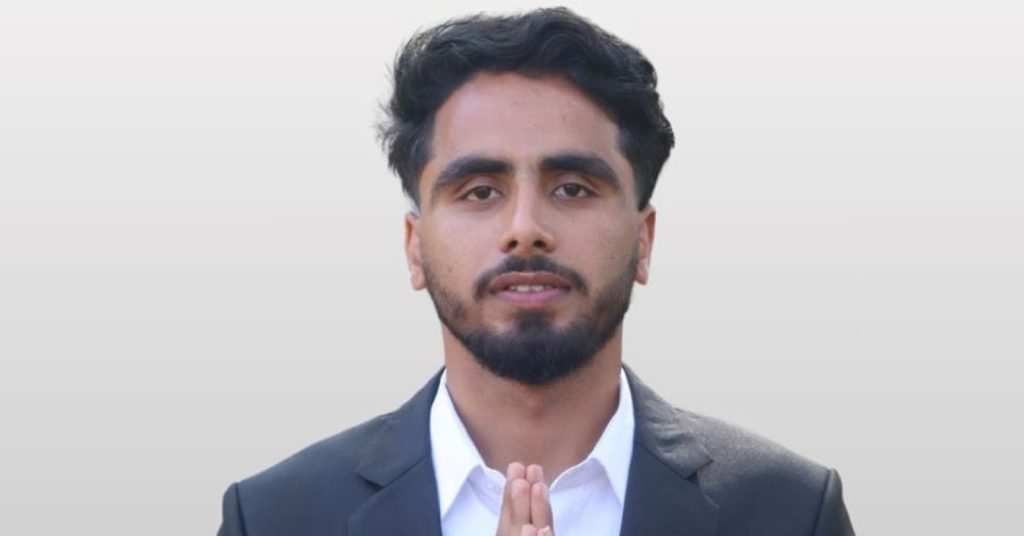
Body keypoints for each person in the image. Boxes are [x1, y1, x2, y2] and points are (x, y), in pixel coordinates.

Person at [217, 7, 854, 536]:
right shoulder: (277, 517)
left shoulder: (788, 511)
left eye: (573, 188)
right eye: (479, 191)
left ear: (644, 240)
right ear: (415, 247)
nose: (525, 227)